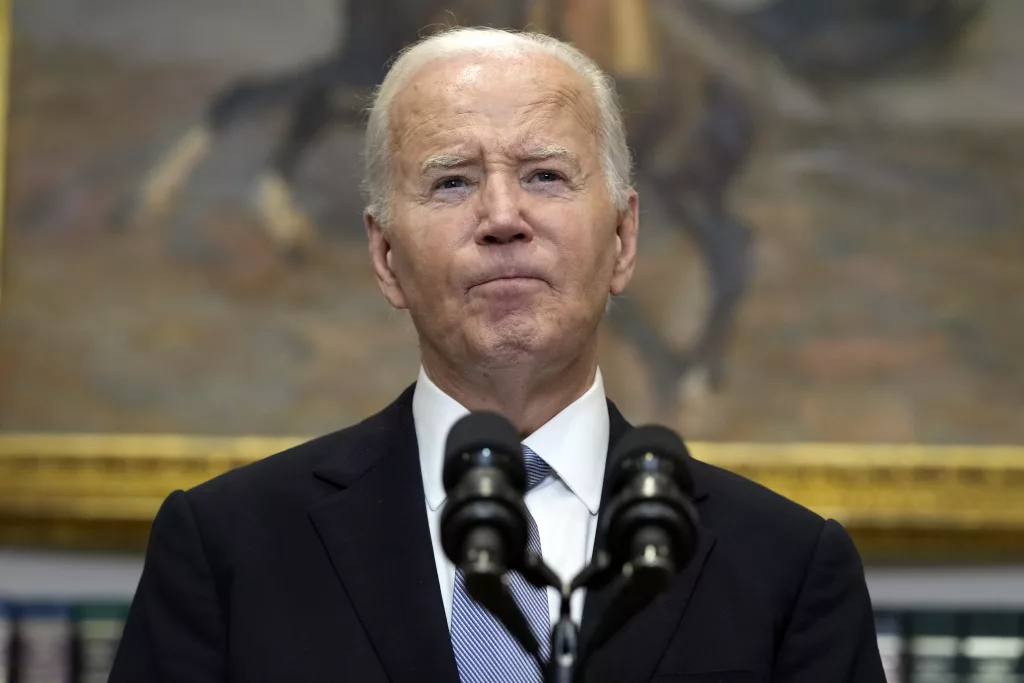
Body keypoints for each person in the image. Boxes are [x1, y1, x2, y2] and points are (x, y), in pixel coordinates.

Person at [109, 27, 884, 683]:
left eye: (545, 175)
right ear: (384, 257)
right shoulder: (228, 550)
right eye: (452, 183)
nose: (503, 217)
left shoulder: (788, 569)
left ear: (623, 239)